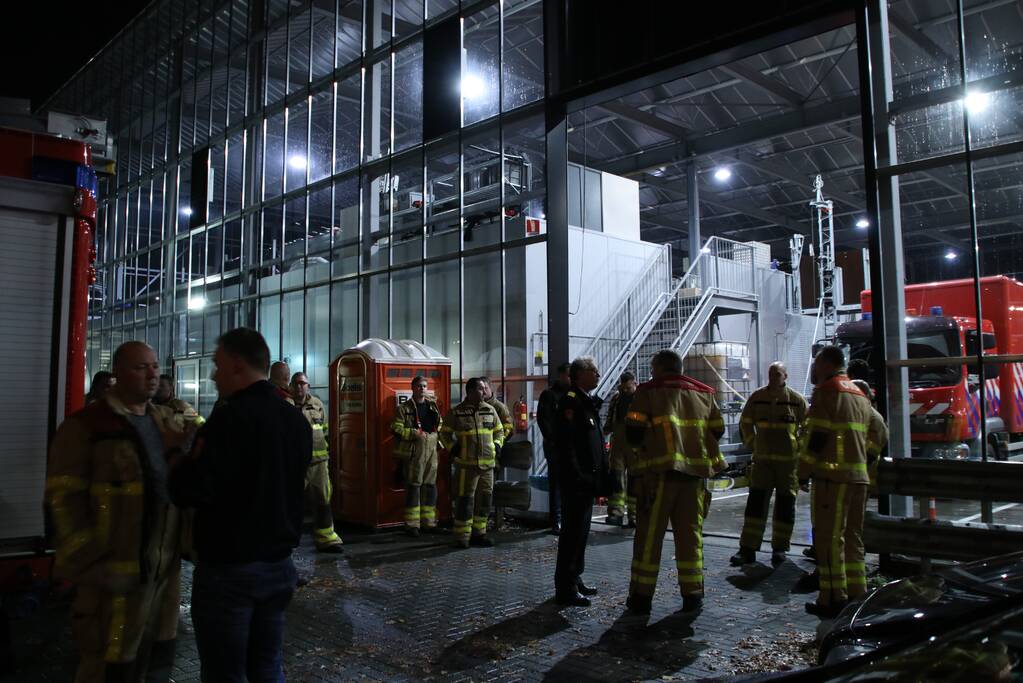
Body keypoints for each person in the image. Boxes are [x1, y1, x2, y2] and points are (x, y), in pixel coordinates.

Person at [167, 328, 311, 681]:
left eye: (217, 365)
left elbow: (190, 490)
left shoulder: (227, 421)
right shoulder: (296, 420)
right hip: (279, 567)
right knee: (267, 666)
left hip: (229, 571)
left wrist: (174, 452)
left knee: (224, 673)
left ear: (236, 364)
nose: (214, 375)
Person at [46, 341, 186, 682]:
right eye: (141, 368)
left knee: (155, 664)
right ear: (118, 374)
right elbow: (62, 500)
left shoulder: (166, 422)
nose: (153, 374)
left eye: (154, 366)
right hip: (111, 581)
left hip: (162, 577)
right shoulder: (86, 428)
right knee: (107, 667)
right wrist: (89, 563)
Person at [625, 349, 726, 615]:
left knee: (649, 538)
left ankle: (641, 598)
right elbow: (718, 429)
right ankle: (693, 596)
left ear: (659, 368)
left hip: (657, 477)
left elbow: (633, 431)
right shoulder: (705, 393)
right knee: (690, 537)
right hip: (694, 478)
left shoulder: (647, 392)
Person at [798, 345, 886, 618]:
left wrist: (802, 471)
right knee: (852, 537)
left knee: (828, 539)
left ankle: (832, 598)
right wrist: (866, 459)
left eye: (816, 363)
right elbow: (880, 431)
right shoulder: (859, 394)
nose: (814, 368)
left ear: (826, 364)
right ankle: (857, 595)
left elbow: (816, 439)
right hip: (858, 479)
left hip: (831, 479)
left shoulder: (826, 393)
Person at [730, 362, 808, 567]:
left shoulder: (796, 401)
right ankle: (747, 549)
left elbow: (808, 428)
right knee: (755, 505)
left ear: (786, 376)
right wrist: (752, 443)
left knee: (785, 507)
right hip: (762, 461)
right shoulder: (757, 398)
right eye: (771, 374)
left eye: (778, 374)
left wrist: (798, 448)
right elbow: (745, 422)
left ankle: (780, 549)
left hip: (787, 465)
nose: (774, 378)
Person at [553, 357, 604, 607]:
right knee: (572, 533)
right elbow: (568, 445)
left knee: (581, 532)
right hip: (577, 480)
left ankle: (575, 577)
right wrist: (578, 475)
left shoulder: (585, 400)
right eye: (594, 371)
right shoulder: (571, 402)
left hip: (586, 479)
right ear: (581, 374)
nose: (598, 374)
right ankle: (566, 587)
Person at [439, 377, 505, 549]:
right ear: (469, 392)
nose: (484, 392)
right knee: (464, 501)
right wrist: (453, 448)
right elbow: (443, 434)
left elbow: (499, 431)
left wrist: (498, 445)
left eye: (484, 389)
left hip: (487, 467)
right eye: (481, 389)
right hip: (466, 467)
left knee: (484, 500)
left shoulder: (490, 410)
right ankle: (462, 536)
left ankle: (479, 534)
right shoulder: (457, 412)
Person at [289, 372, 344, 553]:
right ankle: (288, 542)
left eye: (303, 384)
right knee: (291, 504)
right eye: (296, 383)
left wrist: (327, 454)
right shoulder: (285, 406)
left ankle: (326, 538)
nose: (299, 387)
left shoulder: (317, 405)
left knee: (323, 499)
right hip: (293, 465)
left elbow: (325, 431)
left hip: (318, 463)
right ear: (290, 385)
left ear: (308, 386)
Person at [391, 375, 443, 537]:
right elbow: (395, 428)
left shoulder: (432, 406)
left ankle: (429, 523)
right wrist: (413, 433)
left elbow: (440, 424)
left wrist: (436, 436)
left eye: (425, 386)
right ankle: (412, 525)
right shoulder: (404, 408)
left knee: (430, 485)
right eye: (419, 386)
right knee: (414, 486)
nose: (422, 389)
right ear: (413, 388)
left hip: (432, 447)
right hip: (415, 449)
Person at [537, 363, 571, 534]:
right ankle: (556, 520)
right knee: (556, 483)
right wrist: (553, 440)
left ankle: (568, 519)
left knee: (570, 483)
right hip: (556, 447)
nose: (570, 379)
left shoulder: (573, 395)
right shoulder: (549, 395)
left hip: (571, 447)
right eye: (568, 375)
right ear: (561, 376)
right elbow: (543, 420)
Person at [603, 371, 638, 527]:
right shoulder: (616, 398)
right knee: (616, 479)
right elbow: (610, 417)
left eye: (627, 388)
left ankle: (634, 516)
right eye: (623, 388)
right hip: (618, 442)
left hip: (635, 444)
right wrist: (605, 431)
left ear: (634, 383)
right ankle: (615, 514)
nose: (625, 390)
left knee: (635, 481)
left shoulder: (640, 398)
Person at [480, 377, 514, 442]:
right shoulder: (476, 406)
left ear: (491, 389)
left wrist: (498, 443)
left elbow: (508, 428)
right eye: (481, 389)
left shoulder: (499, 407)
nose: (483, 391)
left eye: (486, 388)